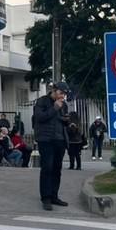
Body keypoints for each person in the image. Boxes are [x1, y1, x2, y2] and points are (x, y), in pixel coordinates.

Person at [33, 81, 71, 211]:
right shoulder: (42, 102)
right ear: (54, 91)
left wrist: (66, 121)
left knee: (57, 169)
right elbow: (40, 118)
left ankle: (54, 195)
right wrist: (54, 108)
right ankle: (46, 198)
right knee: (47, 168)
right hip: (46, 140)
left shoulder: (64, 105)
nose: (62, 96)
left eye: (64, 94)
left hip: (60, 140)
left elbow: (62, 121)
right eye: (61, 93)